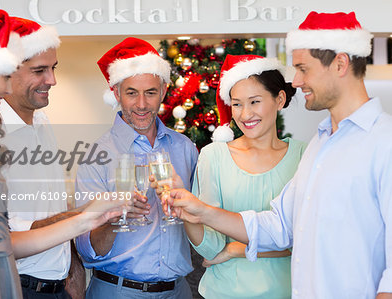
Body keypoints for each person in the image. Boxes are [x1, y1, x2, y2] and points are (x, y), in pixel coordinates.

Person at [163, 11, 392, 298]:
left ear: (340, 64)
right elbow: (279, 226)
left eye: (303, 68)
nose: (295, 81)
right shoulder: (320, 145)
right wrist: (201, 211)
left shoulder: (384, 142)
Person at [0, 9, 132, 299]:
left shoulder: (29, 126)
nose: (52, 80)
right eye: (6, 72)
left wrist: (87, 217)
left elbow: (3, 242)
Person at [75, 37, 198, 299]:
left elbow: (203, 221)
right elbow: (85, 249)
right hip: (116, 291)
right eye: (131, 93)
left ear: (163, 91)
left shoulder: (185, 148)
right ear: (117, 93)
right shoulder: (96, 155)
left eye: (150, 92)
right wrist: (114, 218)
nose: (141, 104)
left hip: (178, 291)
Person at [185, 54, 306, 299]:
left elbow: (305, 240)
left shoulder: (305, 156)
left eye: (255, 101)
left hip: (287, 293)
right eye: (237, 103)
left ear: (280, 99)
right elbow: (211, 248)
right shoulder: (213, 156)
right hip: (223, 293)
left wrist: (236, 250)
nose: (245, 114)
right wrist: (185, 214)